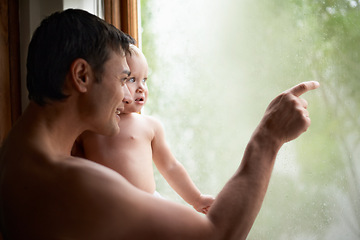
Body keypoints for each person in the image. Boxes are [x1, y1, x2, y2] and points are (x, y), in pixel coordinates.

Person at [0, 8, 320, 240]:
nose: (128, 93)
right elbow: (216, 234)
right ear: (82, 76)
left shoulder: (14, 154)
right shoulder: (73, 183)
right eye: (123, 78)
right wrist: (268, 135)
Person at [74, 44, 215, 214]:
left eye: (144, 80)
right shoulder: (88, 127)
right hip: (107, 210)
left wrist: (196, 199)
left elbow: (170, 166)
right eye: (131, 79)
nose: (141, 87)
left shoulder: (150, 126)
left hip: (148, 206)